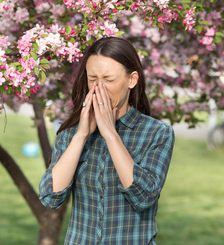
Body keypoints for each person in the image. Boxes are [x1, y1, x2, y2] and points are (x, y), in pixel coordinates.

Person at [39, 37, 174, 245]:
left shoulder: (157, 133)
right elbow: (51, 197)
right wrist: (81, 135)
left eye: (109, 80)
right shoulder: (71, 134)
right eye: (93, 79)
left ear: (132, 79)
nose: (99, 88)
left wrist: (110, 134)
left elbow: (144, 197)